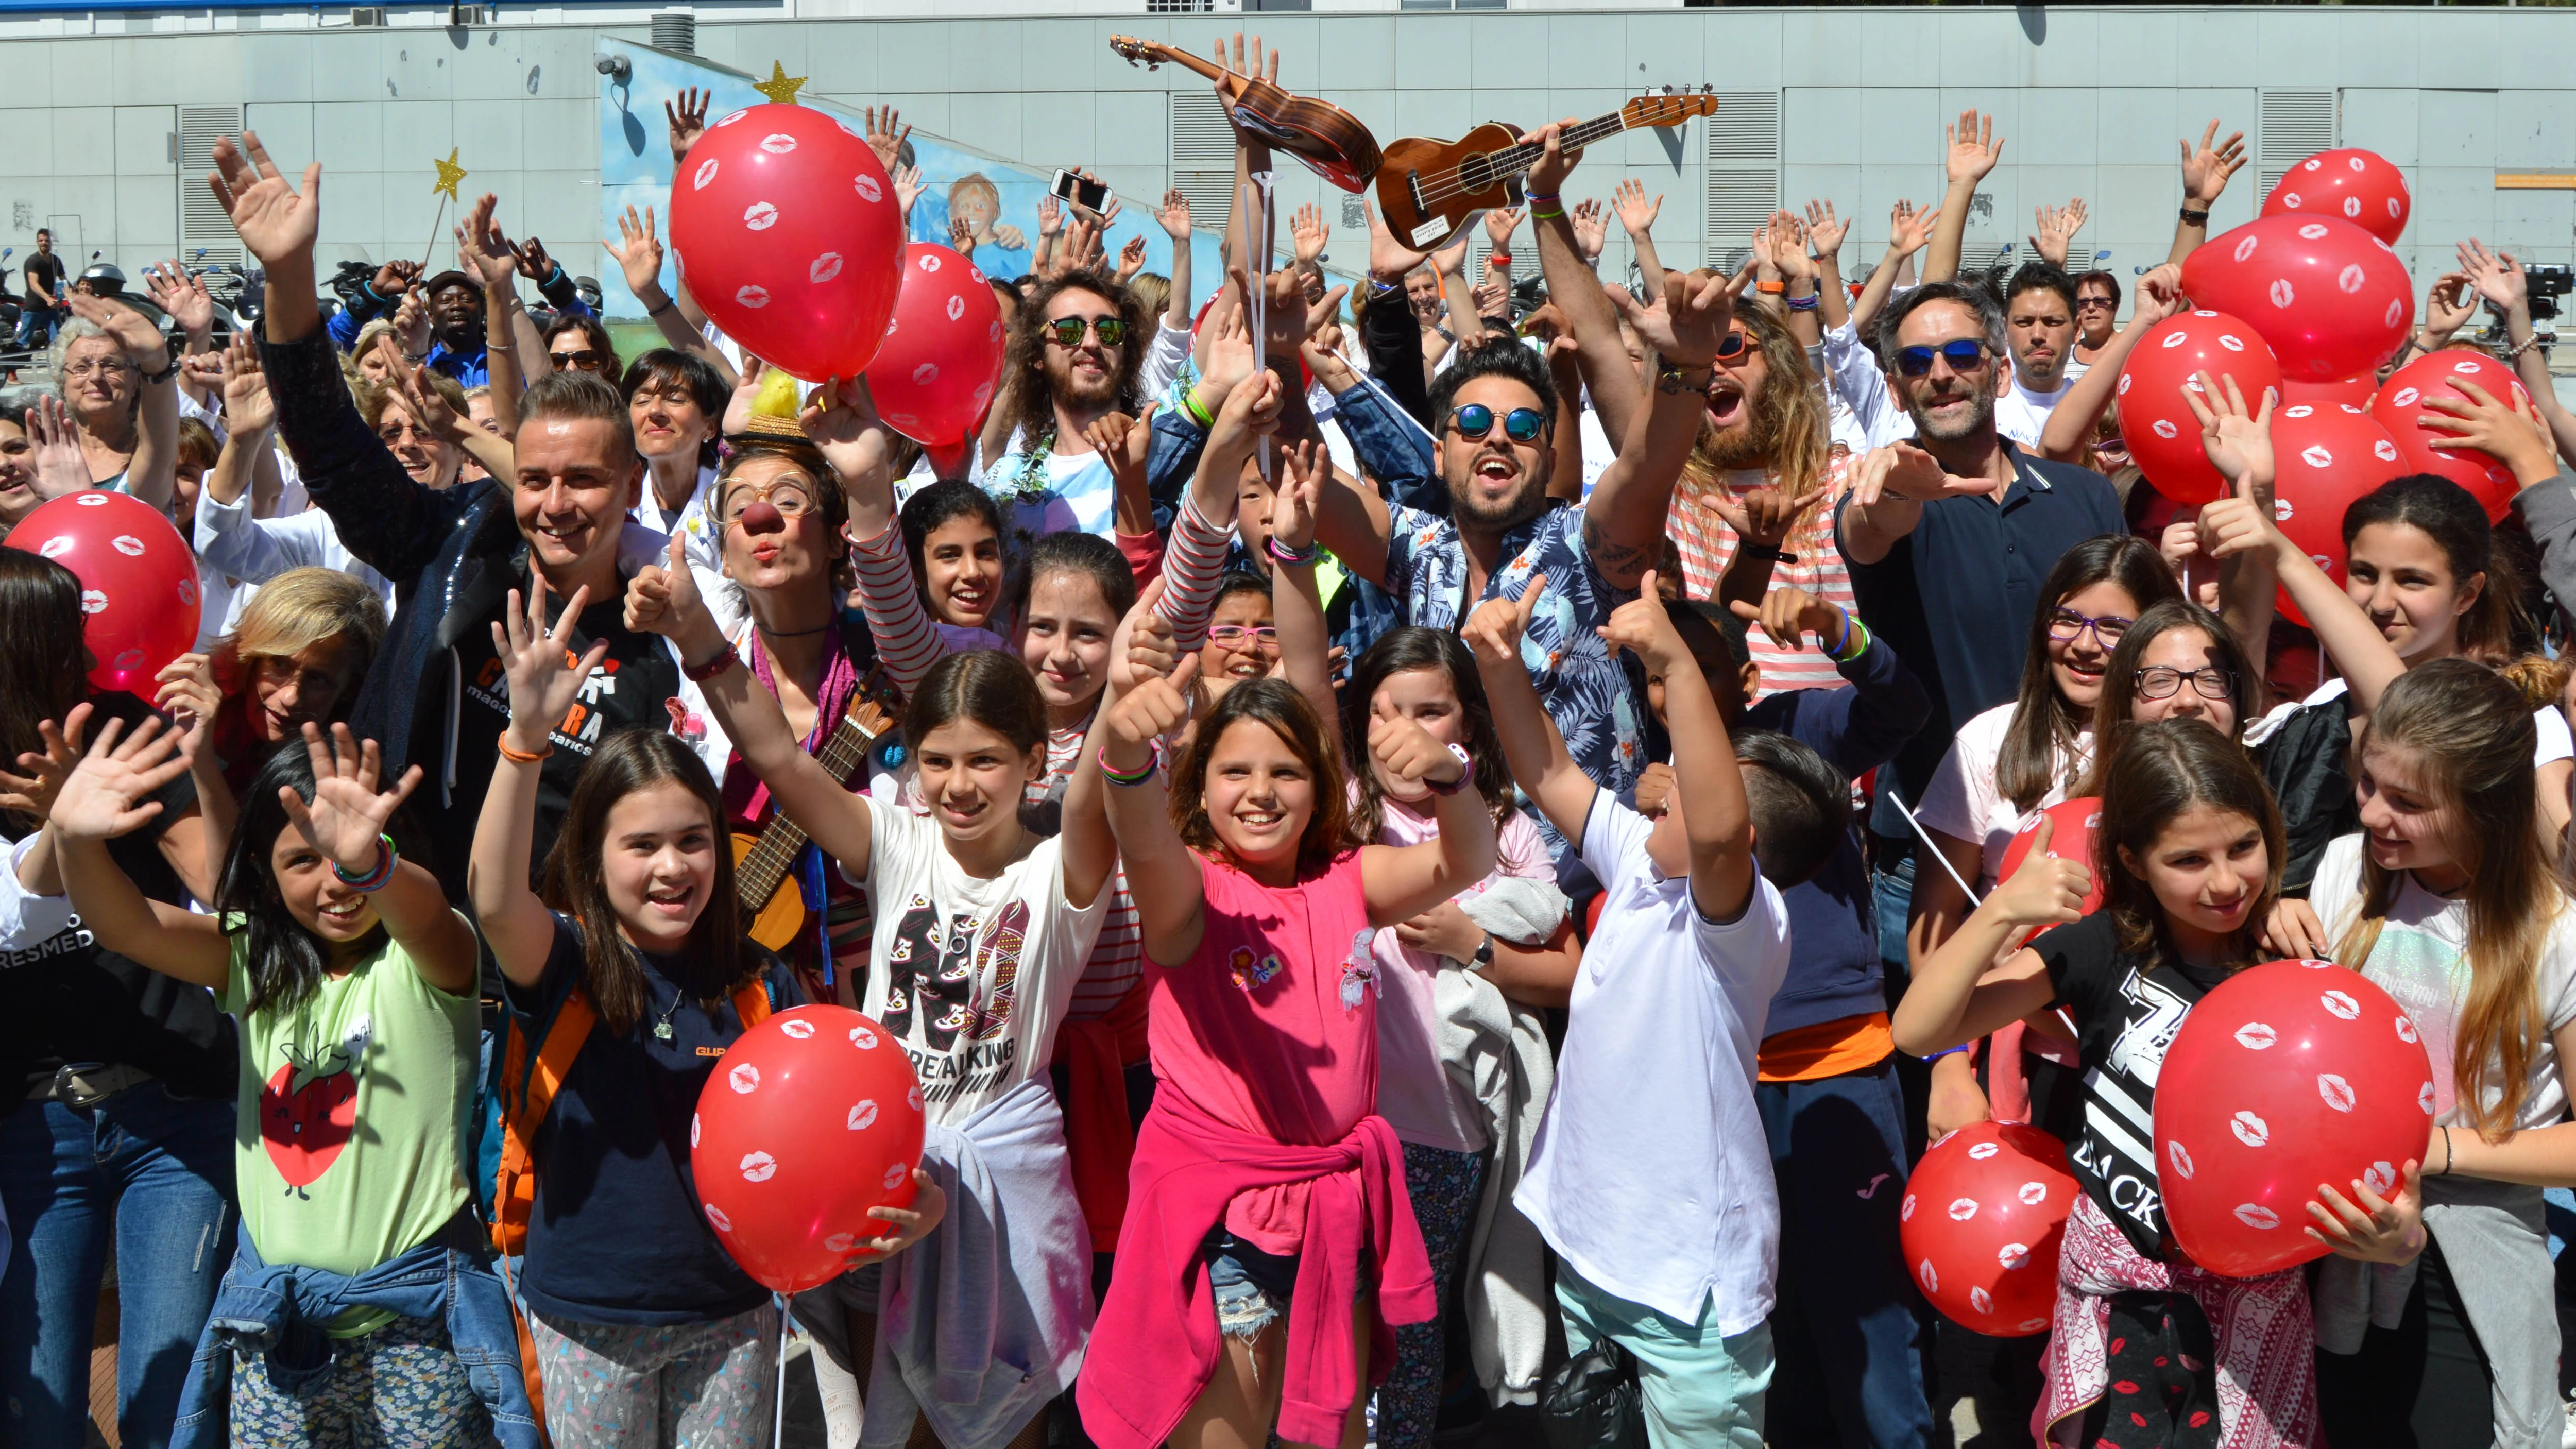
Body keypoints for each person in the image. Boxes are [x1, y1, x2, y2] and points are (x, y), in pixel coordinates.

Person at [627, 556, 1114, 1449]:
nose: (959, 784)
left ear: (1034, 760)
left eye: (987, 760)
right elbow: (776, 751)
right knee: (891, 1423)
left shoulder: (1062, 867)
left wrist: (1140, 677)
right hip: (874, 1171)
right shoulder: (894, 840)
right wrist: (696, 631)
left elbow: (1100, 790)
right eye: (937, 761)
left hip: (1006, 1189)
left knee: (1009, 1426)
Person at [1079, 531, 1498, 1449]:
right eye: (1235, 769)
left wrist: (1449, 773)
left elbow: (1471, 855)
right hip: (1228, 1232)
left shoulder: (1350, 878)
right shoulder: (1190, 889)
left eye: (1285, 770)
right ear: (1202, 781)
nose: (1260, 792)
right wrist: (1123, 743)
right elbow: (1141, 835)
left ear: (1321, 787)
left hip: (1334, 1221)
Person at [215, 124, 684, 895]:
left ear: (634, 485)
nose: (554, 506)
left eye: (585, 481)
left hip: (536, 970)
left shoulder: (656, 646)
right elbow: (331, 448)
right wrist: (289, 277)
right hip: (383, 912)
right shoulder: (462, 536)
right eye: (534, 479)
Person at [1892, 721, 2386, 1449]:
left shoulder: (2295, 957)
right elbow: (1918, 1030)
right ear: (2133, 859)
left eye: (2243, 847)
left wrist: (2390, 1232)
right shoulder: (2101, 947)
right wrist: (2000, 910)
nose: (2225, 882)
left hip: (2254, 1316)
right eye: (2187, 859)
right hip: (2117, 1305)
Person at [48, 714, 534, 1448]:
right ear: (266, 879)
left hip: (417, 1329)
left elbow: (427, 912)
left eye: (353, 857)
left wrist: (374, 864)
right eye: (301, 861)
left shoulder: (428, 961)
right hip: (275, 1332)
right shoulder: (258, 962)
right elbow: (131, 929)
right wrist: (75, 838)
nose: (335, 881)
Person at [1467, 570, 1849, 1449]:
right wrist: (1497, 666)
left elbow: (1713, 829)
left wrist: (1676, 661)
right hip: (1592, 1253)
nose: (1662, 782)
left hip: (1690, 1299)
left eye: (1687, 783)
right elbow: (1547, 766)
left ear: (1743, 845)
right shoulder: (1644, 859)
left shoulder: (1746, 923)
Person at [2262, 661, 2576, 1449]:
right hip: (2324, 1243)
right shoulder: (2340, 874)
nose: (2371, 814)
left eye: (2407, 802)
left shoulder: (2559, 937)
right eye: (2367, 784)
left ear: (2488, 807)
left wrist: (2430, 1148)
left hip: (2465, 1256)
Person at [1835, 277, 2126, 1054]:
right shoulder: (1889, 494)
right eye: (1917, 360)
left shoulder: (2085, 499)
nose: (1940, 372)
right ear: (1895, 385)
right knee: (1945, 1083)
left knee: (2076, 1086)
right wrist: (1892, 494)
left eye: (1960, 353)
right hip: (1936, 868)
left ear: (1998, 371)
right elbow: (1869, 529)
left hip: (2088, 846)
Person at [0, 552, 231, 1449]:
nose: (83, 661)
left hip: (174, 1111)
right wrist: (67, 826)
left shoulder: (127, 729)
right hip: (31, 1128)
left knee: (171, 1407)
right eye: (61, 643)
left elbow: (221, 883)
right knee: (41, 1418)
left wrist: (203, 765)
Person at [151, 567, 388, 804]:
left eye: (318, 679)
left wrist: (203, 762)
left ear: (349, 690)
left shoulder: (352, 775)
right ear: (250, 657)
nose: (291, 697)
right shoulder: (186, 709)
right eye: (279, 664)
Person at [977, 267, 1151, 548]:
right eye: (1070, 330)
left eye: (1109, 331)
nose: (1092, 342)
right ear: (1038, 356)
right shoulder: (1007, 481)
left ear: (1126, 352)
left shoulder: (1156, 452)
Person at [52, 293, 181, 509]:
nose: (96, 376)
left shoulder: (148, 450)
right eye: (82, 368)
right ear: (62, 382)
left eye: (111, 366)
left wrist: (156, 362)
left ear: (135, 383)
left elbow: (158, 451)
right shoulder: (38, 451)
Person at [623, 349, 726, 576]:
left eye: (676, 399)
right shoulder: (616, 505)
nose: (655, 411)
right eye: (642, 400)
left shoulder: (730, 502)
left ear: (710, 426)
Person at [1993, 262, 2082, 447]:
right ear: (2005, 330)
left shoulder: (2095, 413)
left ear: (2077, 330)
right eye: (2024, 322)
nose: (2037, 335)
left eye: (2053, 322)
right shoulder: (1983, 411)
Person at [2066, 270, 2121, 379]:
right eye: (2083, 303)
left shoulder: (2131, 350)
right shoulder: (2065, 354)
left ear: (2115, 307)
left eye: (2100, 301)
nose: (2091, 308)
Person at [18, 228, 63, 349]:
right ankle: (11, 366)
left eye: (47, 240)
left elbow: (63, 281)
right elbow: (33, 284)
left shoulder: (56, 260)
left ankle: (55, 366)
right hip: (34, 308)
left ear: (51, 243)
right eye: (41, 240)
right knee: (24, 341)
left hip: (50, 309)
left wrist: (74, 292)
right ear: (37, 242)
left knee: (58, 339)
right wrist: (48, 299)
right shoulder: (33, 261)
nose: (44, 243)